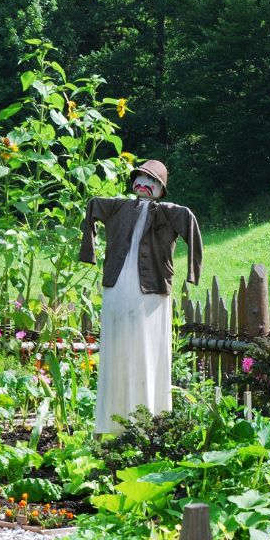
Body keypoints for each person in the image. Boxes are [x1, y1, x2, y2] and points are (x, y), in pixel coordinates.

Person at [79, 160, 202, 434]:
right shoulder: (119, 207)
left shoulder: (170, 213)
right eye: (140, 179)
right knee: (116, 352)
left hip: (151, 295)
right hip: (116, 289)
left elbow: (190, 223)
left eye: (151, 181)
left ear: (160, 188)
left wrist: (193, 273)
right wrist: (88, 252)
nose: (143, 185)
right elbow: (91, 207)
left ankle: (147, 423)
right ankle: (112, 425)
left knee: (148, 353)